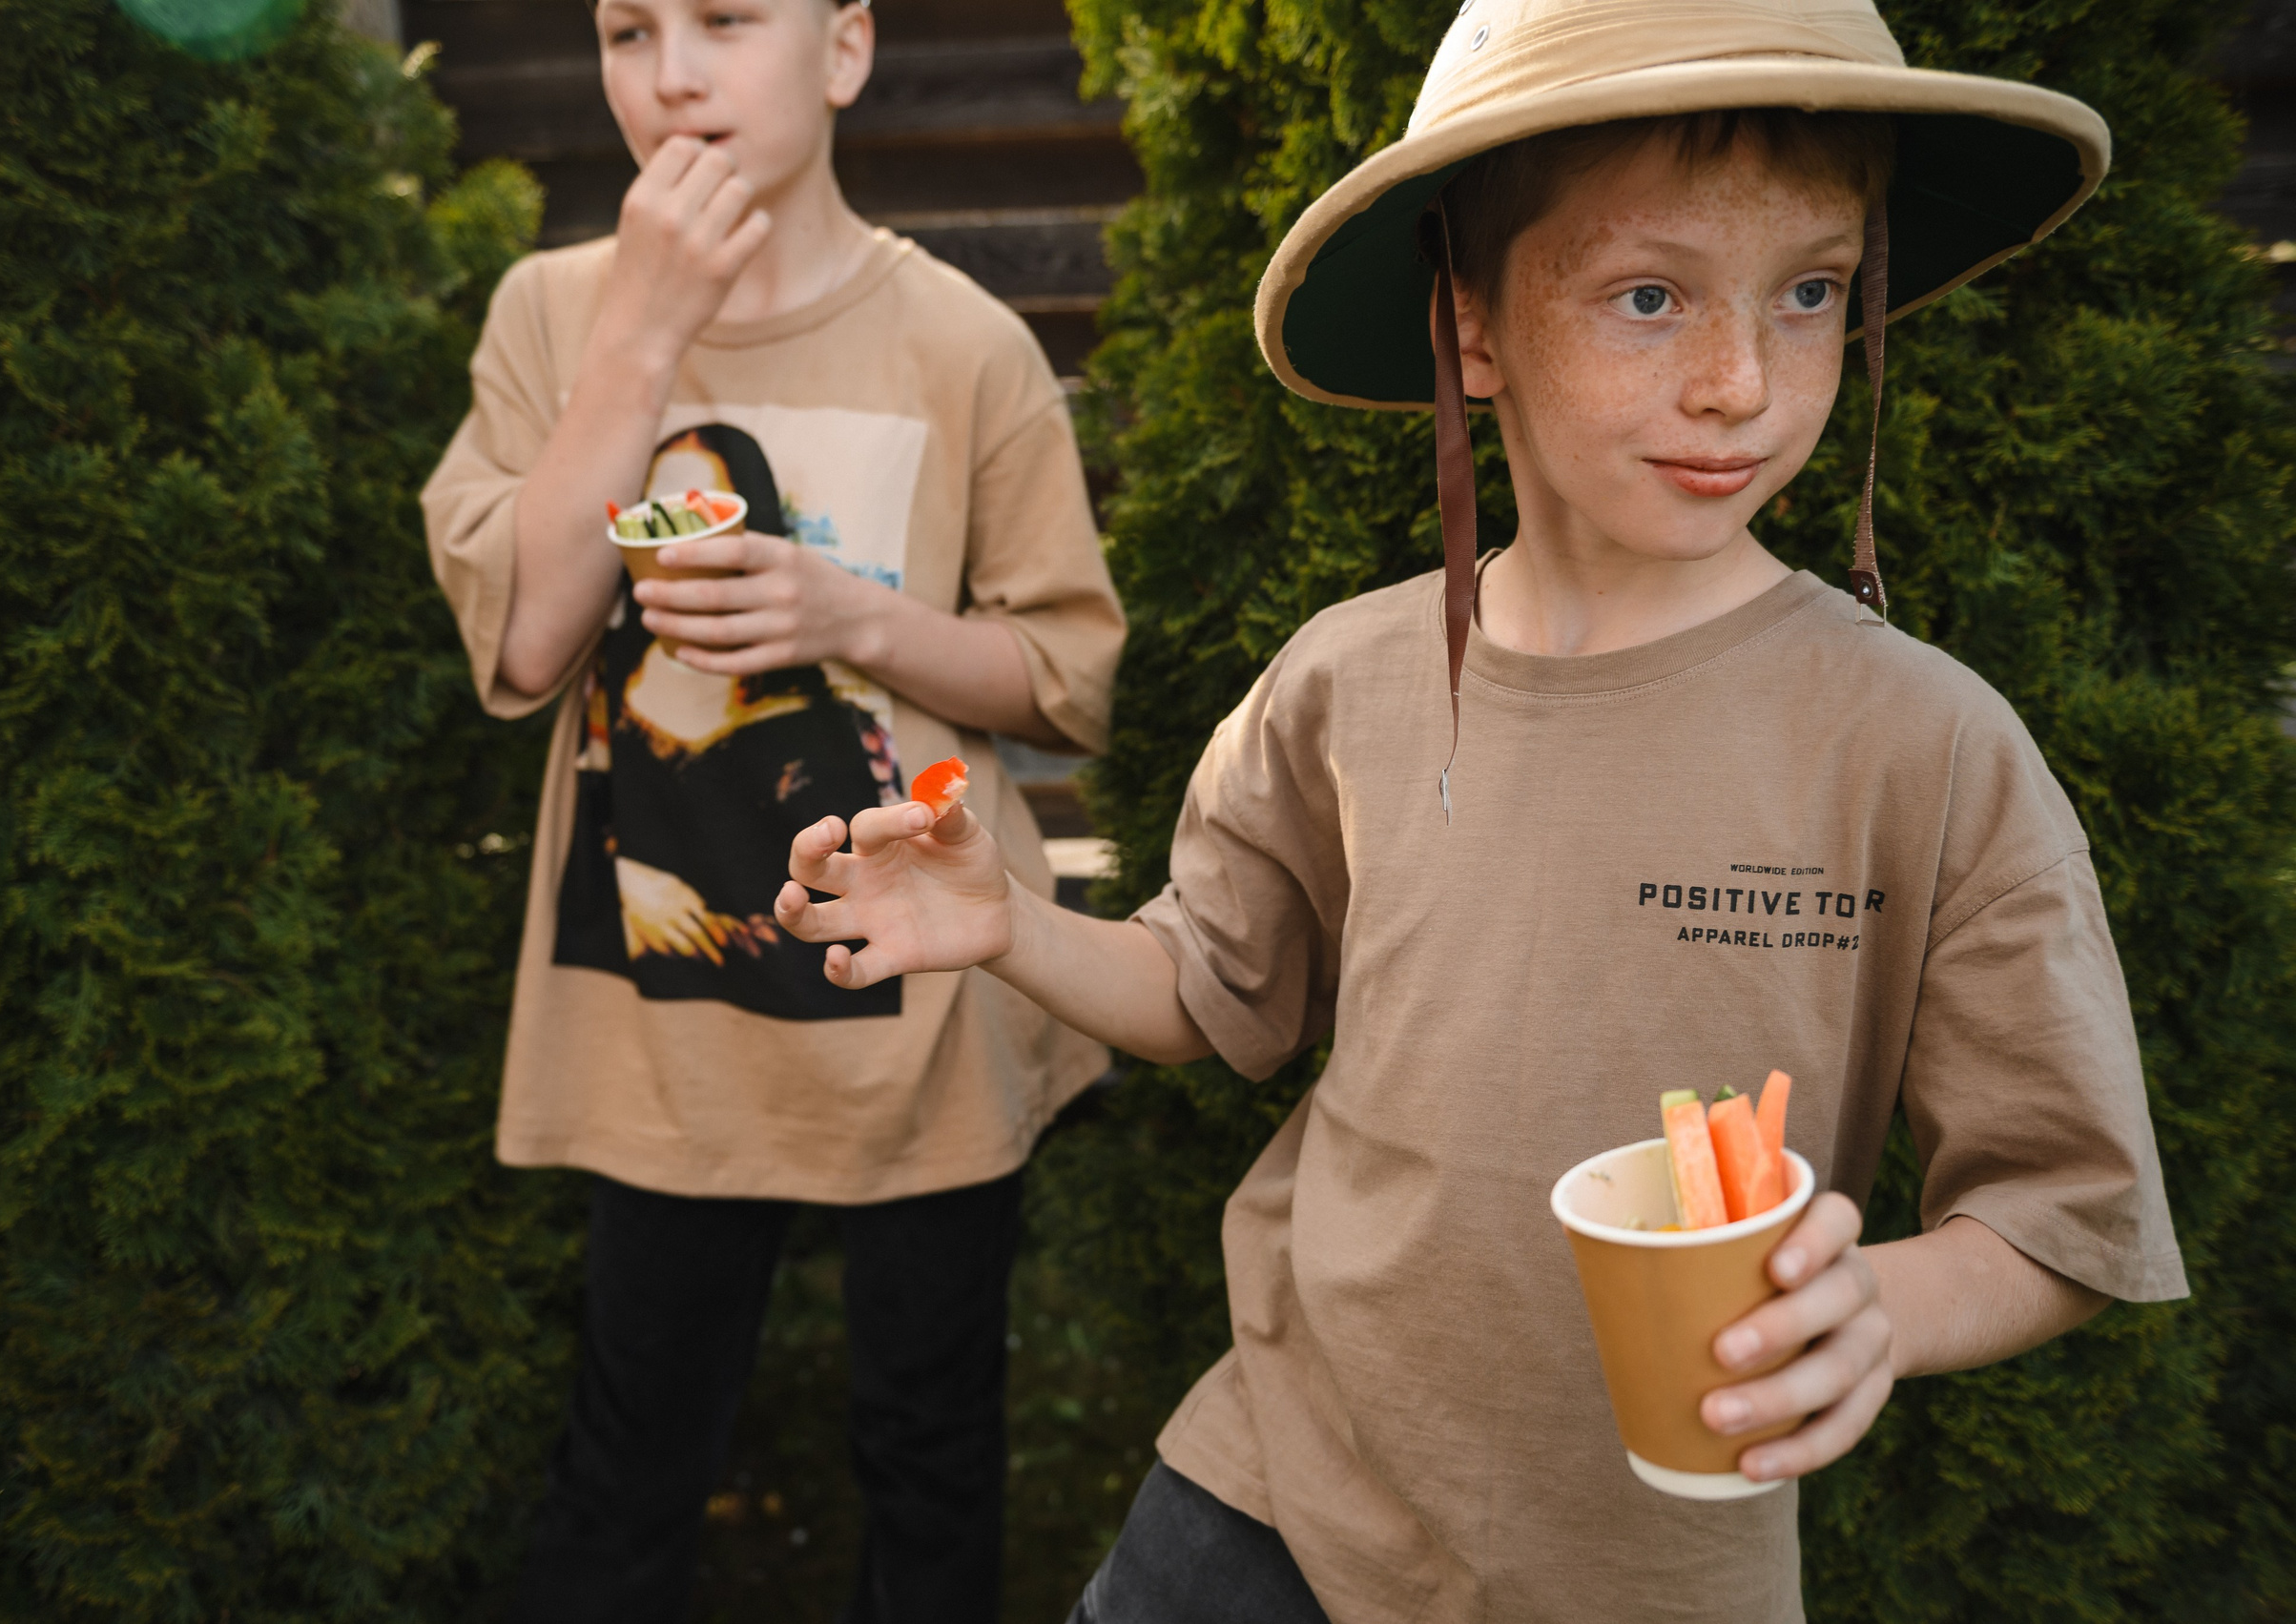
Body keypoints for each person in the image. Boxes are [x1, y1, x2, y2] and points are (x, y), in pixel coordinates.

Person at [773, 1, 2186, 1619]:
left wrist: (1878, 1306)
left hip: (1655, 1571)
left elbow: (2062, 1215)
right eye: (1650, 297)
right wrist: (1009, 925)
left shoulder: (1926, 746)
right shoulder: (1343, 681)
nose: (1741, 381)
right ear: (1472, 327)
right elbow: (1207, 990)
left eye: (1809, 295)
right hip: (1265, 1507)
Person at [419, 0, 1126, 1614]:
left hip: (918, 1014)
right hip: (663, 1017)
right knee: (627, 1468)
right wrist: (643, 339)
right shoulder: (553, 318)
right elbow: (525, 647)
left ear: (846, 49)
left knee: (930, 1456)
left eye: (727, 18)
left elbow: (1068, 674)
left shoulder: (959, 344)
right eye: (623, 30)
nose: (669, 73)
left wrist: (848, 618)